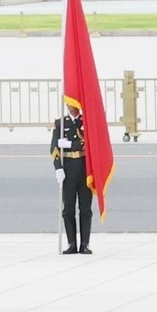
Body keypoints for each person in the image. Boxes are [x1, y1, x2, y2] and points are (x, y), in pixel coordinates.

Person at [52, 106, 93, 254]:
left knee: (85, 209)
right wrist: (58, 168)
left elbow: (89, 144)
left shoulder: (87, 122)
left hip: (84, 169)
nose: (71, 106)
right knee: (68, 209)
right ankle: (71, 244)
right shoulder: (60, 123)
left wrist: (69, 144)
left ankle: (85, 244)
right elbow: (54, 148)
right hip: (68, 169)